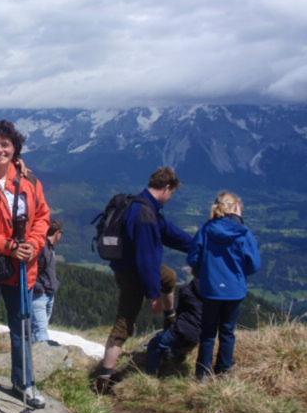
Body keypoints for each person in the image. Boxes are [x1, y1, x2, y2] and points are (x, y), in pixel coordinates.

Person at [0, 119, 50, 409]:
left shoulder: (29, 181)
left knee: (21, 327)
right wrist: (10, 246)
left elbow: (42, 216)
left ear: (15, 147)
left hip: (22, 267)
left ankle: (24, 382)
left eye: (5, 144)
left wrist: (34, 245)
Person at [94, 166, 192, 392]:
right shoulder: (145, 215)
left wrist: (198, 243)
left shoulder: (143, 205)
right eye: (172, 193)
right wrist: (153, 295)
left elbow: (170, 233)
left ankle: (171, 319)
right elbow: (147, 260)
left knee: (169, 276)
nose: (170, 198)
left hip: (125, 269)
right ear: (167, 188)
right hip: (133, 274)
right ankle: (103, 380)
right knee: (125, 323)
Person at [187, 191, 261, 380]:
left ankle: (202, 374)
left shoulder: (206, 229)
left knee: (208, 332)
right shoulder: (244, 233)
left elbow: (193, 257)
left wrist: (204, 271)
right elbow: (254, 264)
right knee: (228, 332)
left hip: (211, 289)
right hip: (235, 290)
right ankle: (224, 370)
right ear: (236, 208)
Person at [145, 278, 203, 375]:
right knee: (180, 346)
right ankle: (175, 360)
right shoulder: (212, 295)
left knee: (154, 344)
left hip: (181, 330)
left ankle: (151, 374)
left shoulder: (186, 290)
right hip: (199, 334)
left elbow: (179, 311)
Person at [31, 219, 63, 343]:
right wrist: (39, 287)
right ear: (57, 233)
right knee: (40, 331)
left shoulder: (49, 248)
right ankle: (40, 359)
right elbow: (33, 269)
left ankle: (32, 356)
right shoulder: (42, 248)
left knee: (38, 328)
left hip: (48, 293)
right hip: (39, 294)